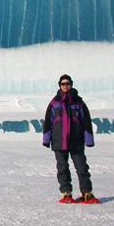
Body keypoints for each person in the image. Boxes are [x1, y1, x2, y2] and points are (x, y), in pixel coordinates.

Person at [42, 74, 99, 204]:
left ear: (71, 84)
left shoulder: (79, 102)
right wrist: (46, 139)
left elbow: (86, 122)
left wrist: (89, 140)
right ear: (60, 85)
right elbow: (48, 122)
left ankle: (87, 193)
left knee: (82, 168)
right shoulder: (54, 103)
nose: (65, 86)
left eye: (67, 83)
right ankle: (66, 193)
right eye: (63, 84)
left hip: (76, 141)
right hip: (59, 141)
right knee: (62, 168)